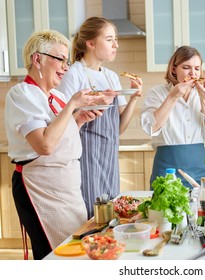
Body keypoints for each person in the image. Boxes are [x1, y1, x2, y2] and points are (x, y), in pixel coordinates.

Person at [4, 30, 106, 259]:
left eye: (67, 61)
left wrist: (78, 121)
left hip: (67, 190)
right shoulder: (22, 94)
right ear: (37, 59)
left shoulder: (57, 97)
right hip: (40, 188)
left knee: (75, 248)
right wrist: (72, 106)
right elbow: (45, 146)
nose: (66, 67)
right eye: (60, 59)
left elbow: (61, 141)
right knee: (55, 255)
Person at [57, 17, 143, 219]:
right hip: (84, 158)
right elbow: (62, 122)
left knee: (112, 214)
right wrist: (85, 108)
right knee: (90, 216)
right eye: (110, 39)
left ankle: (107, 250)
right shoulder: (73, 74)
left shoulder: (111, 77)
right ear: (91, 43)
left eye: (116, 40)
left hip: (109, 159)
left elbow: (118, 129)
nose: (116, 45)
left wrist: (134, 98)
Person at [141, 45, 205, 188]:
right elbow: (150, 127)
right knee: (165, 210)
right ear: (174, 69)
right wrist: (173, 96)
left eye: (197, 68)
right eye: (186, 67)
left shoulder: (204, 94)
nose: (193, 73)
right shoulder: (157, 93)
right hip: (167, 169)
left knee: (202, 209)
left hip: (199, 168)